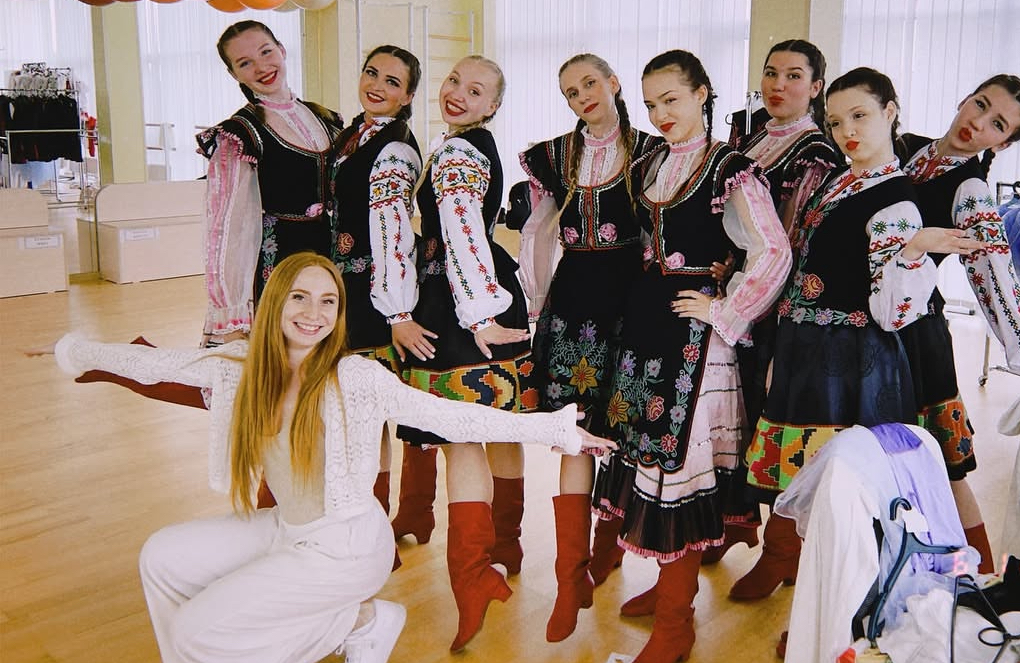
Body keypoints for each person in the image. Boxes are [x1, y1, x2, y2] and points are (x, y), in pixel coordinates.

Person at [29, 251, 614, 663]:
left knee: (196, 631)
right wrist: (73, 349)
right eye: (300, 298)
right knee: (162, 558)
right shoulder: (241, 367)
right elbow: (155, 363)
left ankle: (357, 622)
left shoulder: (354, 377)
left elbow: (455, 418)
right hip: (288, 530)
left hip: (347, 546)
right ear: (275, 302)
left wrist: (558, 430)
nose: (314, 312)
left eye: (328, 302)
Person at [741, 67, 983, 604]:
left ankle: (845, 611)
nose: (847, 131)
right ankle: (791, 571)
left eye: (860, 116)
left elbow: (892, 313)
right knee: (802, 479)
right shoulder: (842, 179)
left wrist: (913, 250)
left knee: (846, 496)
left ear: (890, 112)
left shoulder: (895, 202)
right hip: (806, 353)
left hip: (852, 366)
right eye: (835, 121)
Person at [593, 49, 792, 663]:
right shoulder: (651, 162)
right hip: (645, 328)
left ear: (702, 93)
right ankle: (667, 588)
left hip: (693, 340)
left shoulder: (730, 169)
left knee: (677, 465)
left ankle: (676, 624)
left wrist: (725, 309)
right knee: (645, 458)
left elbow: (773, 251)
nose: (660, 114)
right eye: (650, 104)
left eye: (671, 100)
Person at [895, 74, 1020, 573]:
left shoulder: (970, 188)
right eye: (980, 105)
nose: (977, 123)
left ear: (1003, 143)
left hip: (915, 336)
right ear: (963, 99)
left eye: (997, 124)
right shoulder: (904, 147)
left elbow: (994, 272)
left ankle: (983, 576)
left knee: (943, 467)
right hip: (862, 324)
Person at [517, 53, 660, 641]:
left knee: (622, 430)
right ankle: (569, 579)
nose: (582, 97)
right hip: (574, 302)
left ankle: (608, 551)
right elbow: (537, 231)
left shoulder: (654, 152)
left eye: (590, 84)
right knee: (574, 433)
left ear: (614, 83)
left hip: (633, 300)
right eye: (571, 93)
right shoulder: (553, 156)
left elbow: (661, 233)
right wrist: (534, 303)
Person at [396, 55, 536, 651]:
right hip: (480, 292)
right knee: (496, 425)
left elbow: (461, 231)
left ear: (492, 106)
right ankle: (507, 545)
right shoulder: (471, 145)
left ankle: (477, 572)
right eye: (454, 80)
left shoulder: (457, 151)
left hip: (463, 301)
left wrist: (478, 312)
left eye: (475, 90)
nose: (457, 93)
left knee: (461, 436)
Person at [717, 39, 844, 580]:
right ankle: (734, 522)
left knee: (779, 422)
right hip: (732, 294)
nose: (778, 85)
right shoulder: (747, 139)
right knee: (735, 414)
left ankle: (782, 551)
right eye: (771, 73)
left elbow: (794, 240)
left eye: (794, 76)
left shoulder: (816, 154)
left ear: (816, 88)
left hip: (783, 304)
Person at [326, 45, 439, 553]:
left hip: (375, 293)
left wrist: (397, 310)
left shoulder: (394, 149)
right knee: (360, 411)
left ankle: (379, 530)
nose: (377, 85)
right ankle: (403, 517)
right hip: (347, 288)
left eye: (392, 82)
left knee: (369, 414)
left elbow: (394, 232)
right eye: (371, 73)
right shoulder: (356, 133)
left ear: (408, 96)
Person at [197, 21, 342, 347]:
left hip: (330, 259)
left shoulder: (324, 118)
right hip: (277, 263)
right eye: (245, 62)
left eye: (266, 52)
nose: (261, 67)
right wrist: (233, 311)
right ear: (234, 74)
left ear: (282, 50)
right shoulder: (240, 134)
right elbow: (228, 227)